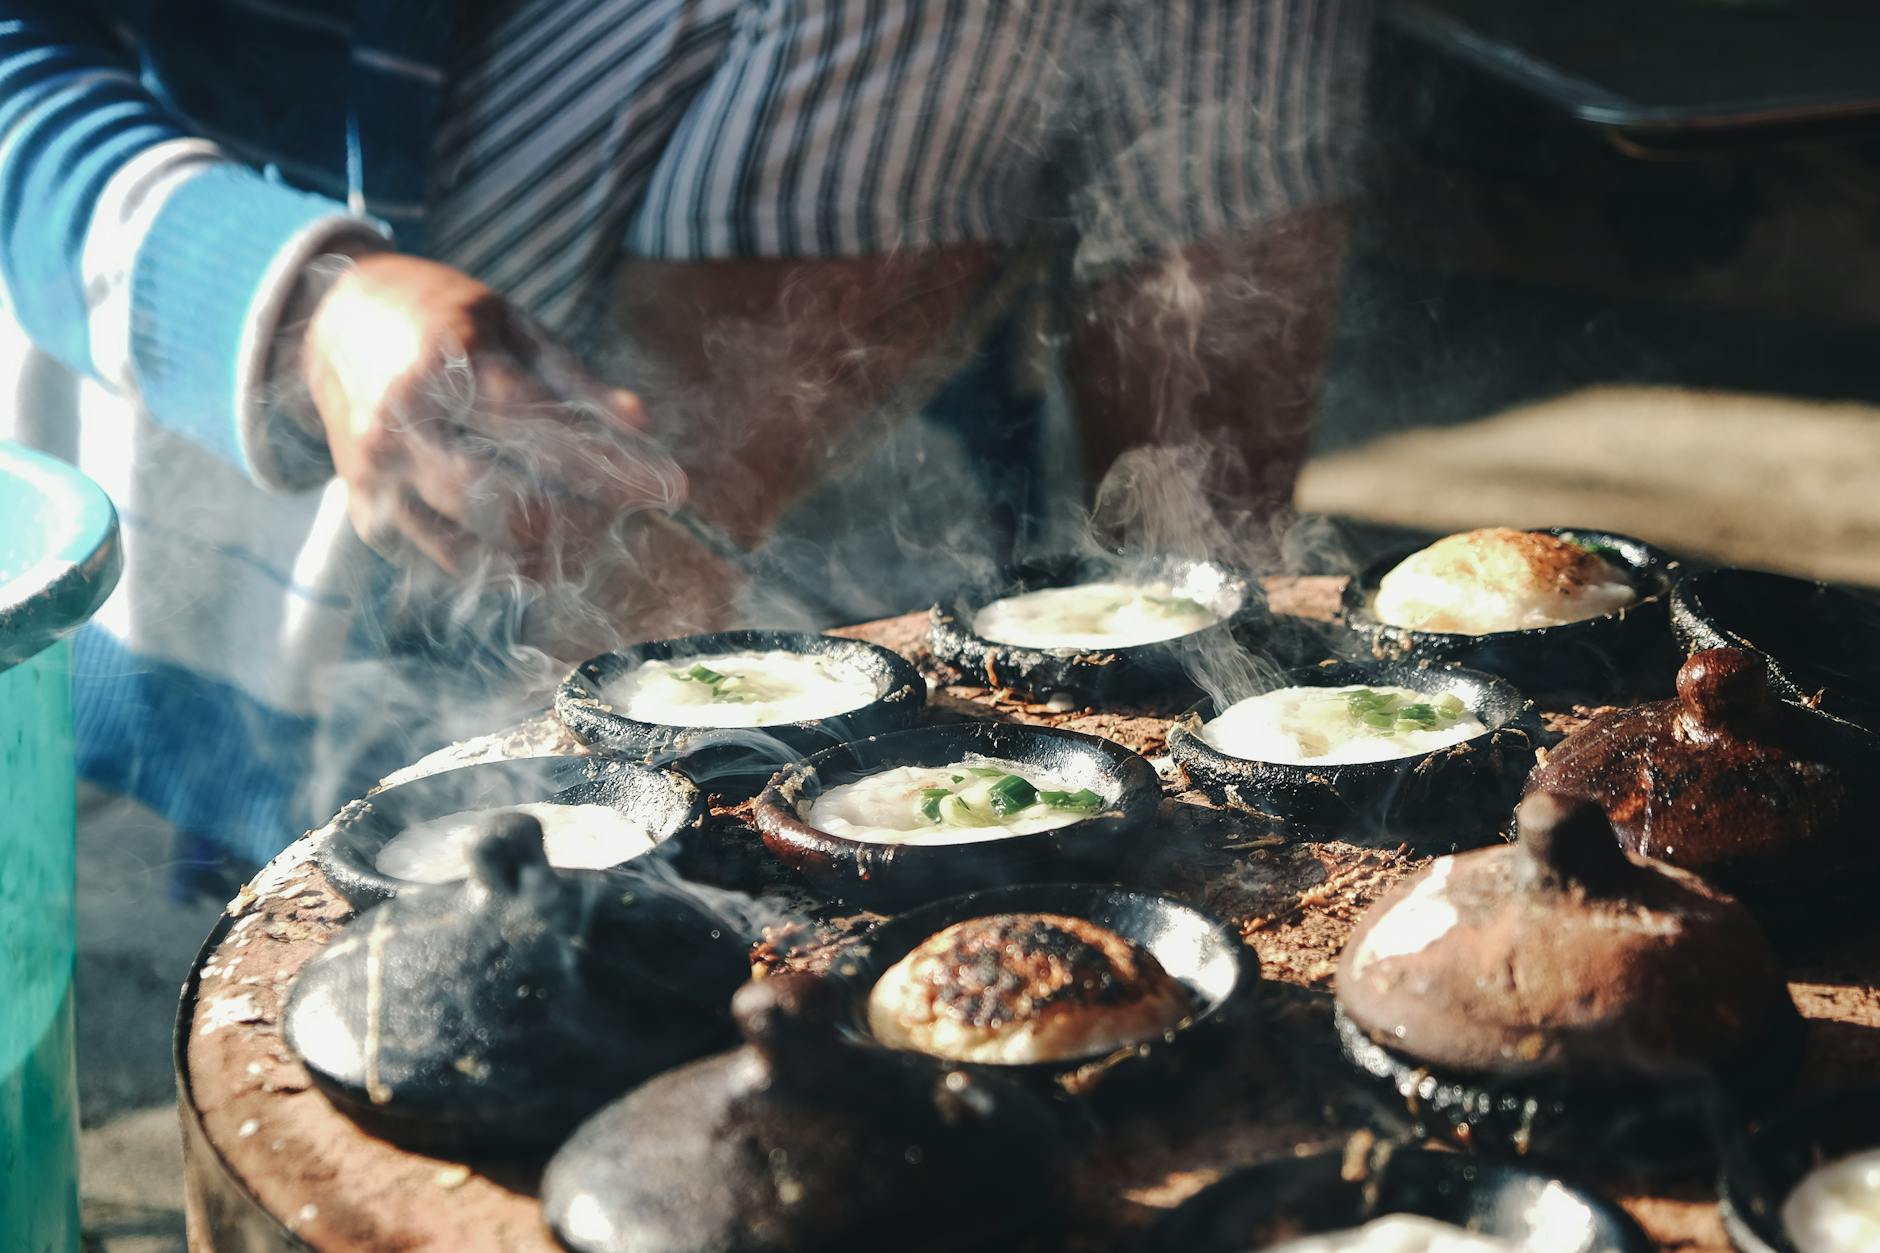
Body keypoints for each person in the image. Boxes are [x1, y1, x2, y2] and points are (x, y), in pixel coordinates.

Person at [0, 0, 1371, 873]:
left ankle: (1220, 708)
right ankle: (574, 795)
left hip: (784, 280)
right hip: (332, 323)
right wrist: (304, 305)